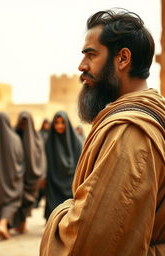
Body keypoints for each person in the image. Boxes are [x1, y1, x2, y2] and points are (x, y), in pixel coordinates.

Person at [40, 9, 165, 256]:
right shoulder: (148, 115)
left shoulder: (129, 132)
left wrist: (61, 212)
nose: (81, 66)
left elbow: (91, 242)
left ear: (122, 59)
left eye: (91, 55)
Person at [44, 111, 82, 220]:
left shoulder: (76, 142)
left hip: (71, 182)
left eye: (62, 122)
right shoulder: (49, 141)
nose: (60, 126)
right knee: (53, 213)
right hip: (53, 182)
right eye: (57, 123)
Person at [14, 111, 46, 233]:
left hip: (31, 175)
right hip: (17, 175)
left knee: (27, 201)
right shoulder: (14, 136)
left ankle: (23, 223)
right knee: (16, 200)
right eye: (21, 123)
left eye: (25, 124)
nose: (23, 127)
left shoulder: (37, 138)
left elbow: (42, 157)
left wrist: (42, 174)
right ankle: (18, 223)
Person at [34, 119, 50, 208]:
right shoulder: (39, 134)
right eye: (45, 124)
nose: (46, 126)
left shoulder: (51, 135)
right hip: (41, 160)